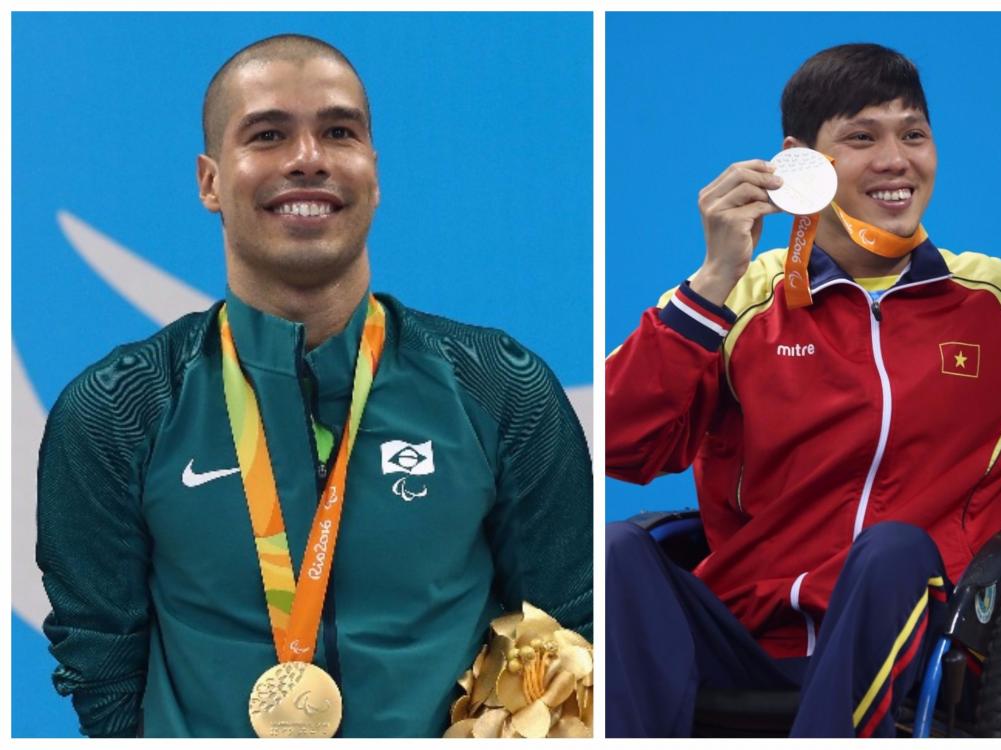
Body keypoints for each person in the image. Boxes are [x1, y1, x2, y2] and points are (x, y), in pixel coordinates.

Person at [605, 43, 1001, 737]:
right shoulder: (740, 300)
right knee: (615, 552)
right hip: (745, 640)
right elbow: (620, 446)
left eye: (913, 134)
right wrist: (710, 282)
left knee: (894, 550)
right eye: (861, 137)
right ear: (800, 162)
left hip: (930, 640)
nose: (895, 160)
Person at [36, 33, 592, 738]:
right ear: (210, 181)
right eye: (268, 134)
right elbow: (100, 659)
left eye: (338, 131)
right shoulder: (119, 409)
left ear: (374, 171)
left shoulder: (499, 386)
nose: (308, 158)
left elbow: (566, 634)